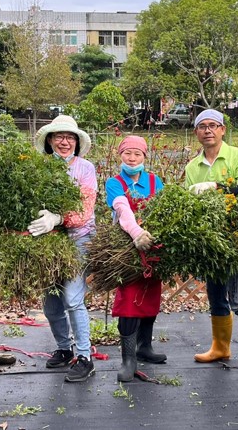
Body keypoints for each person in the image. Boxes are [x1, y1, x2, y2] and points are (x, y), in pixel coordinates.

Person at [185, 109, 238, 382]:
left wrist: (216, 187)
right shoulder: (191, 167)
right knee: (215, 296)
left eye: (213, 126)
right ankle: (220, 348)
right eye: (202, 126)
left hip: (234, 238)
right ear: (196, 132)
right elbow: (190, 205)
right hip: (209, 239)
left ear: (223, 129)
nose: (208, 130)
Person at [30, 115, 98, 382]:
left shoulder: (85, 168)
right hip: (49, 241)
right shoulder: (40, 168)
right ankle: (63, 348)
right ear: (49, 140)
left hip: (80, 237)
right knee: (51, 302)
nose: (64, 141)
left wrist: (58, 218)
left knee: (72, 297)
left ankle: (84, 357)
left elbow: (85, 208)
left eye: (70, 137)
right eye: (59, 136)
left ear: (77, 142)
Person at [105, 135, 167, 382]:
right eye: (127, 153)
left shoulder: (154, 181)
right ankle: (128, 359)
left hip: (153, 247)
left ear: (144, 157)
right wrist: (136, 233)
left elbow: (163, 209)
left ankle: (145, 347)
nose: (132, 158)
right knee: (129, 301)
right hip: (128, 249)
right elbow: (122, 209)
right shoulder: (114, 182)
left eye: (137, 154)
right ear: (120, 155)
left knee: (150, 297)